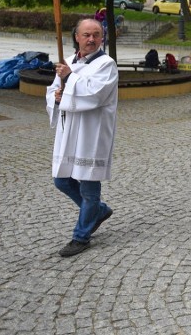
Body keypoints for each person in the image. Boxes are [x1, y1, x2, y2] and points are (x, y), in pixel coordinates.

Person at [47, 18, 118, 257]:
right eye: (86, 35)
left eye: (96, 34)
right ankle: (98, 211)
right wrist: (57, 97)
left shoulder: (106, 64)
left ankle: (81, 236)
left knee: (88, 184)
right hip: (69, 132)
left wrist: (69, 78)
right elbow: (54, 89)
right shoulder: (67, 61)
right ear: (76, 37)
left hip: (91, 132)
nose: (91, 39)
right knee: (62, 180)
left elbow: (95, 95)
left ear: (102, 38)